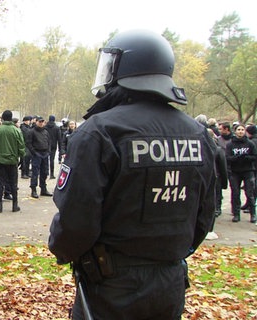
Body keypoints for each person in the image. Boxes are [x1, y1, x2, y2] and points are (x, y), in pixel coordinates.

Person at [48, 30, 216, 320]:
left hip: (111, 286)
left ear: (122, 70)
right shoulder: (198, 134)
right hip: (169, 283)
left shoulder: (99, 131)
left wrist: (63, 250)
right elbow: (205, 216)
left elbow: (76, 221)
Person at [0, 110, 25, 213]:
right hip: (12, 161)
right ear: (11, 118)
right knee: (13, 183)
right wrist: (20, 157)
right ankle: (15, 205)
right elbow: (21, 146)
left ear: (2, 118)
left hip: (0, 161)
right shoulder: (16, 130)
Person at [225, 123, 257, 223]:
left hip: (248, 171)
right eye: (238, 130)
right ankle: (236, 214)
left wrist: (247, 158)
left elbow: (255, 156)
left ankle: (253, 214)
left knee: (250, 193)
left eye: (242, 130)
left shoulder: (250, 144)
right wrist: (236, 158)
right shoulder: (230, 144)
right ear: (235, 131)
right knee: (235, 193)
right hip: (235, 171)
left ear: (245, 131)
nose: (240, 132)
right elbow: (227, 157)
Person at [26, 116, 52, 198]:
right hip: (37, 154)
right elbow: (28, 143)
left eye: (42, 122)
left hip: (45, 154)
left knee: (44, 172)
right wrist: (34, 152)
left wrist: (48, 151)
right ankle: (33, 189)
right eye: (39, 122)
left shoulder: (46, 132)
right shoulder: (32, 132)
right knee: (35, 173)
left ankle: (43, 189)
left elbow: (49, 142)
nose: (41, 123)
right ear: (36, 122)